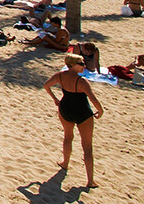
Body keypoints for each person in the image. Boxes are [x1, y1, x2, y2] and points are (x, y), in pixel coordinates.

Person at [43, 55, 103, 189]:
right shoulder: (82, 81)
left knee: (68, 136)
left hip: (65, 109)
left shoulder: (60, 76)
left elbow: (46, 85)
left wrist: (55, 99)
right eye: (81, 64)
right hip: (83, 113)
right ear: (71, 65)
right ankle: (90, 181)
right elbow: (93, 99)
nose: (84, 66)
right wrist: (101, 110)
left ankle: (65, 163)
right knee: (87, 146)